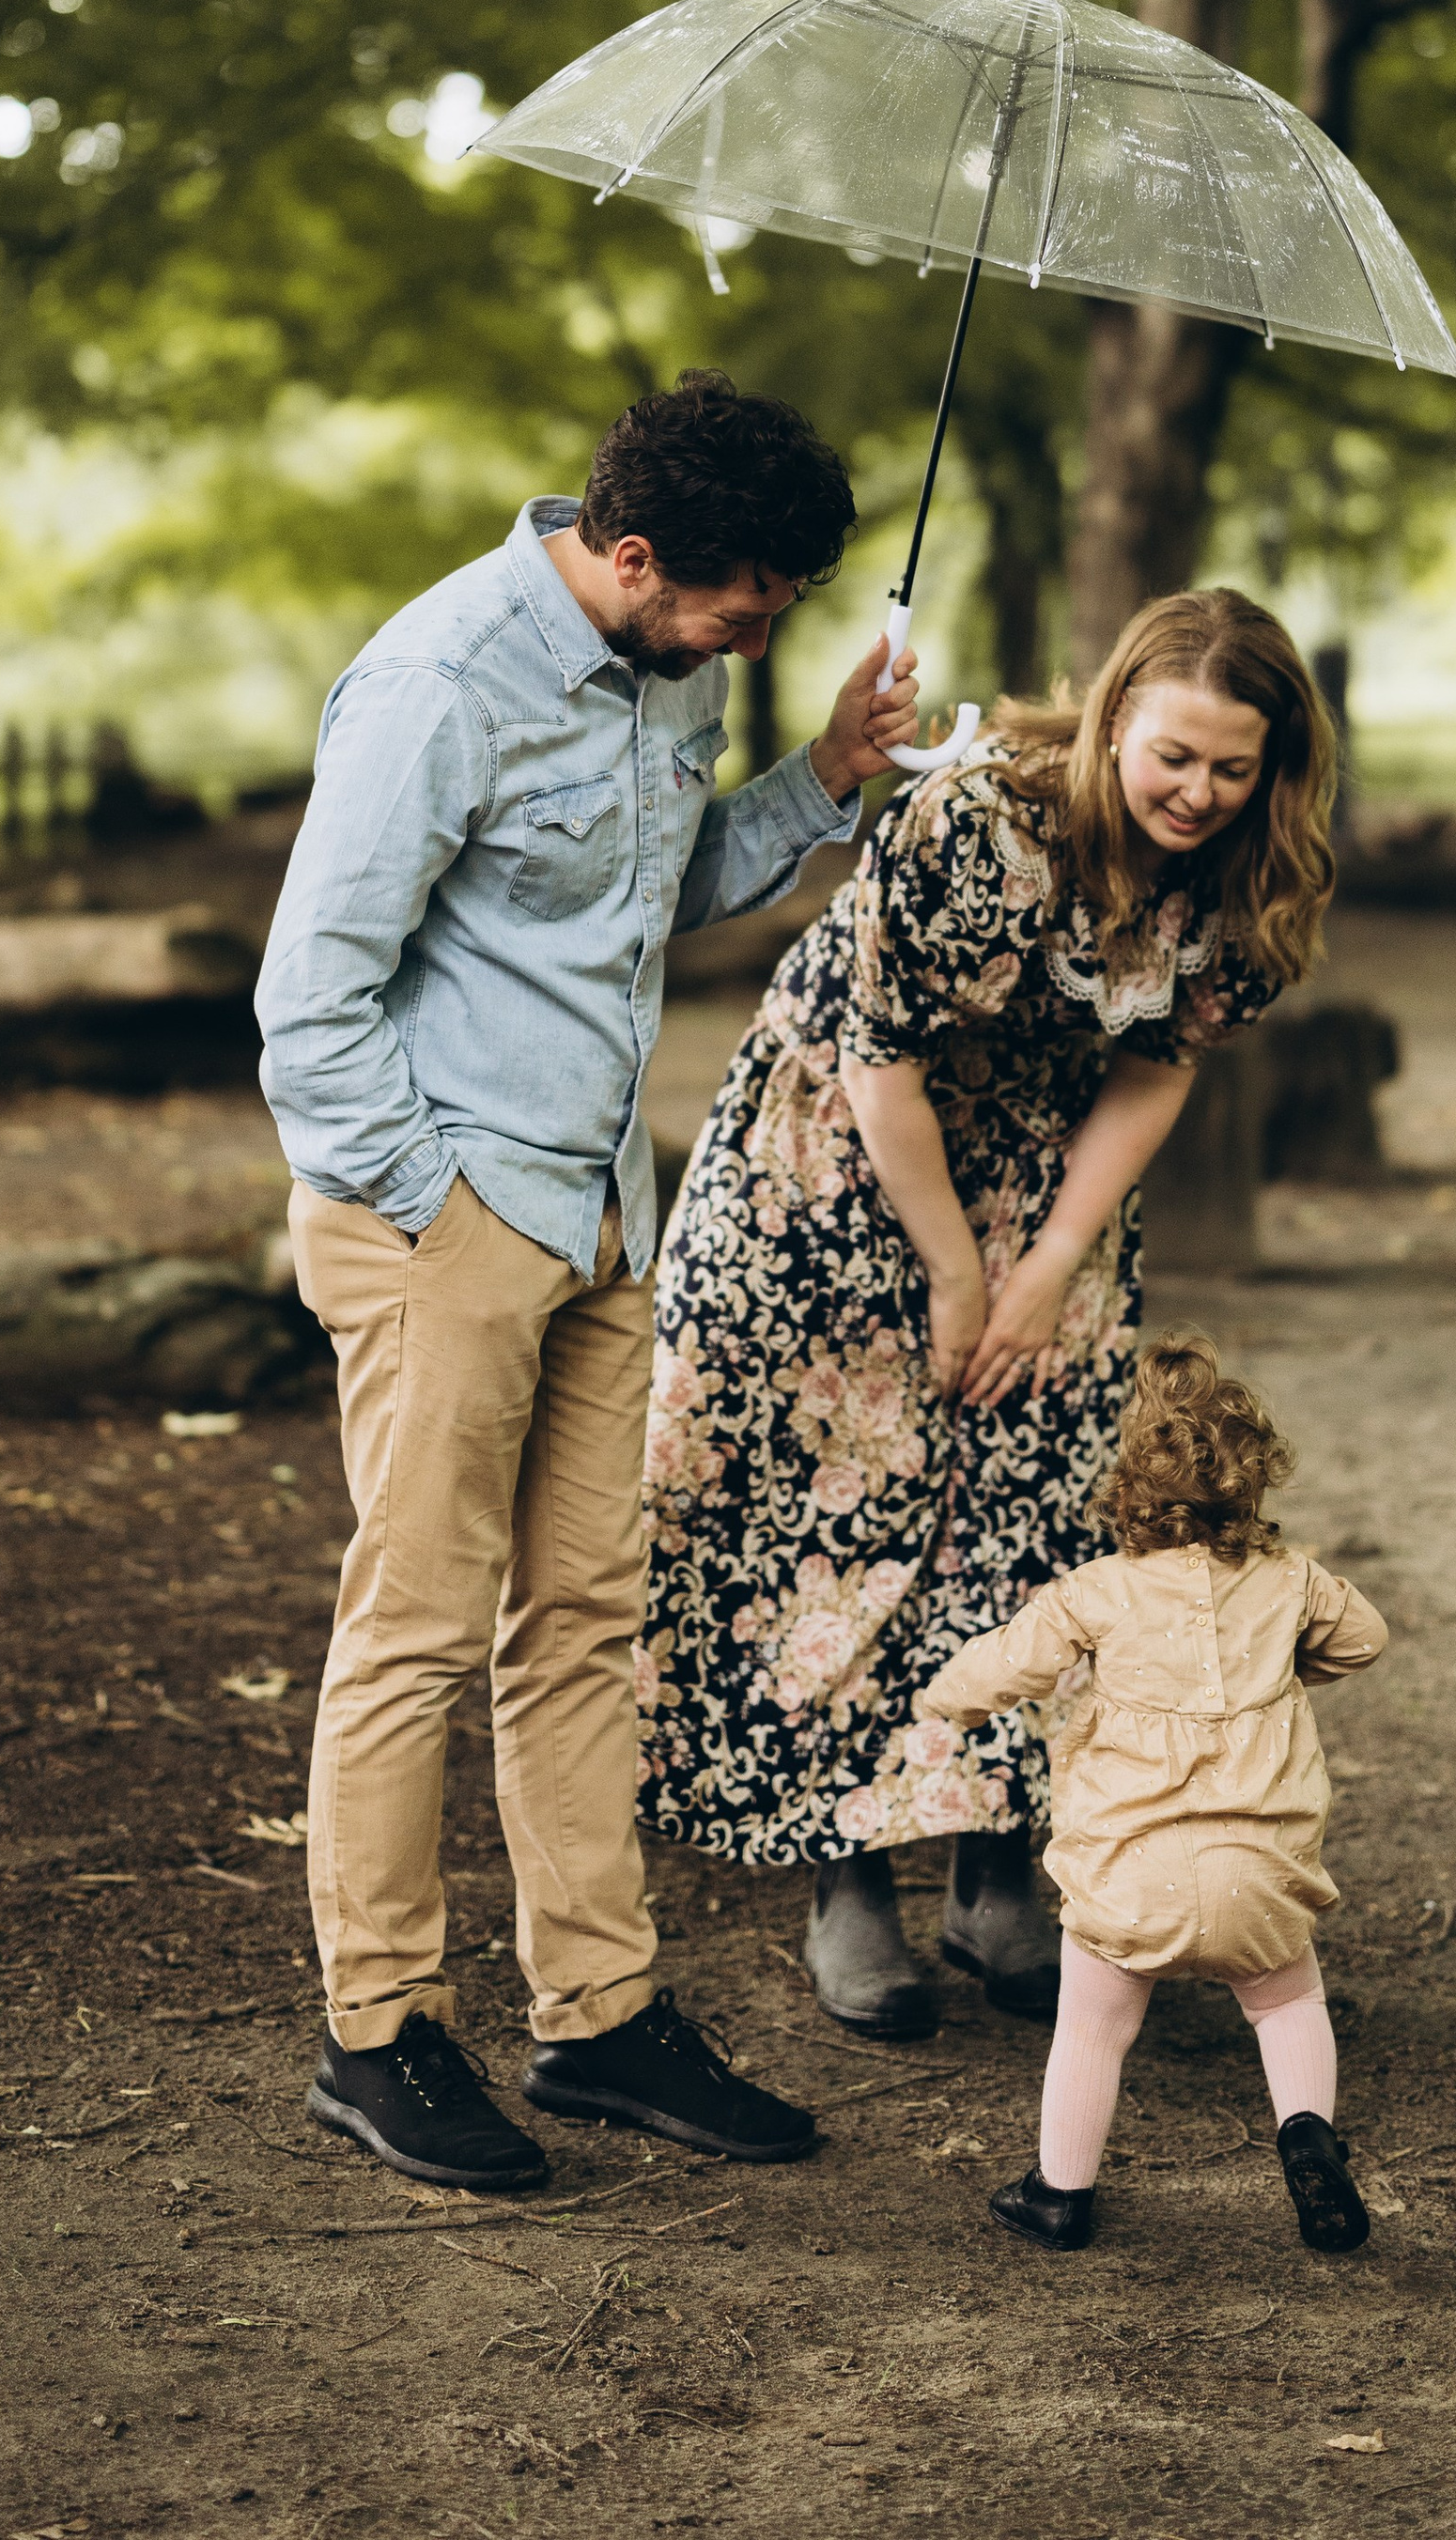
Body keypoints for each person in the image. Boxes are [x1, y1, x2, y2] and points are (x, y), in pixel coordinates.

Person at [256, 371, 921, 2193]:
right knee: (412, 1625)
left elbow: (643, 887)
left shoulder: (677, 661)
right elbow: (306, 999)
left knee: (582, 1619)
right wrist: (438, 1210)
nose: (756, 633)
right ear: (632, 555)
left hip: (607, 1211)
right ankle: (376, 2034)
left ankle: (598, 2019)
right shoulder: (436, 683)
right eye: (743, 607)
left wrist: (820, 781)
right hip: (447, 1220)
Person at [636, 587, 1337, 2039]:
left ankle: (1000, 1871)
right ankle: (848, 1880)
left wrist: (1050, 1262)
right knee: (830, 1512)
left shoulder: (1248, 884)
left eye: (1231, 766)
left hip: (1047, 1174)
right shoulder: (982, 823)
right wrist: (958, 1271)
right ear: (1113, 720)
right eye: (1171, 756)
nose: (1197, 793)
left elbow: (1160, 1068)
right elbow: (878, 1053)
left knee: (1036, 1500)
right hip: (836, 1162)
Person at [915, 1337, 1387, 2255]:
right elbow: (1363, 1638)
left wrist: (941, 1701)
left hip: (1130, 1880)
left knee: (1092, 2031)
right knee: (1288, 2006)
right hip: (1261, 1878)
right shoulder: (1289, 1583)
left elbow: (998, 1668)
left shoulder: (1093, 1593)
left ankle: (1059, 2194)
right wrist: (1292, 1659)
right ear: (1251, 1495)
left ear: (1128, 1494)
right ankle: (1304, 2134)